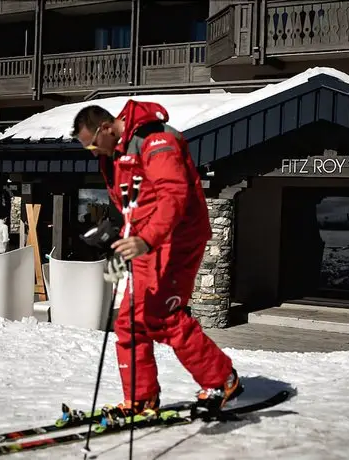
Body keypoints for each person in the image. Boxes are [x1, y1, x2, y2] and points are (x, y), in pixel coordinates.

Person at [71, 101, 242, 417]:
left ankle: (222, 379)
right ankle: (141, 398)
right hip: (146, 242)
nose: (92, 153)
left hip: (177, 239)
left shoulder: (156, 140)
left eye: (93, 144)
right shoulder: (113, 158)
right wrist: (118, 243)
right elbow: (132, 208)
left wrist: (146, 240)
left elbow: (173, 198)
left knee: (162, 315)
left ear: (106, 129)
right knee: (128, 322)